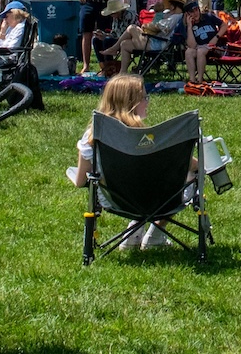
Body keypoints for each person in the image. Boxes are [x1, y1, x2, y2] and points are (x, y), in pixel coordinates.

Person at [70, 74, 172, 248]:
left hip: (114, 200)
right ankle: (155, 234)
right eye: (145, 98)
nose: (148, 102)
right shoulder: (146, 139)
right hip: (156, 200)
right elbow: (188, 164)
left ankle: (134, 233)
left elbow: (80, 182)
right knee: (190, 174)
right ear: (131, 103)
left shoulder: (91, 138)